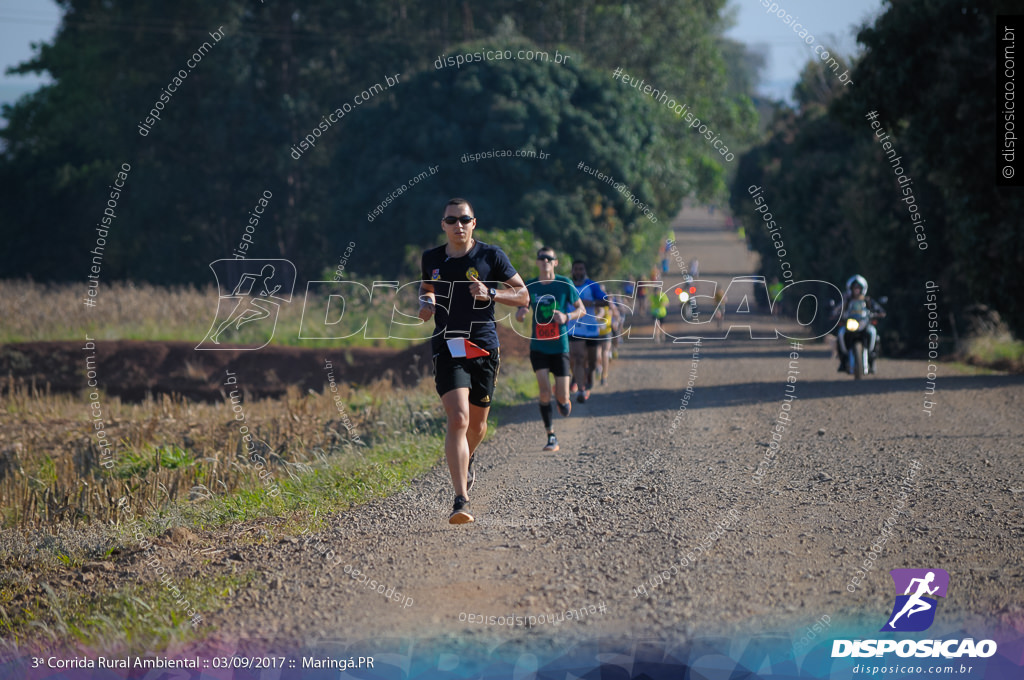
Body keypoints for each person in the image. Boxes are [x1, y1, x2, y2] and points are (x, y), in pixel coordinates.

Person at [418, 198, 529, 524]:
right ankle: (460, 500)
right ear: (443, 224)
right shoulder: (432, 258)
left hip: (483, 345)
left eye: (464, 219)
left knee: (478, 426)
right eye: (451, 220)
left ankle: (468, 460)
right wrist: (426, 302)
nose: (458, 225)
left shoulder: (491, 256)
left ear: (473, 223)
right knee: (458, 418)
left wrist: (491, 294)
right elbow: (427, 288)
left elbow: (523, 295)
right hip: (447, 345)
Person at [515, 247, 585, 452]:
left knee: (562, 398)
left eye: (549, 258)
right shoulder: (530, 285)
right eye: (541, 258)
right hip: (538, 346)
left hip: (560, 346)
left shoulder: (564, 284)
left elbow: (582, 309)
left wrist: (566, 317)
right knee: (544, 392)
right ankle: (551, 435)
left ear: (555, 263)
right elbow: (522, 307)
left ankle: (563, 398)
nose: (545, 261)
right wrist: (521, 313)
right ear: (537, 262)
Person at [565, 260, 608, 403]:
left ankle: (586, 376)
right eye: (576, 269)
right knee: (577, 357)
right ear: (572, 271)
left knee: (592, 361)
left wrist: (592, 303)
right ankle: (580, 387)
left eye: (581, 269)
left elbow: (606, 301)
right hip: (573, 327)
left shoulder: (592, 285)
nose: (578, 272)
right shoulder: (567, 285)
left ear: (585, 270)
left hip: (591, 329)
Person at [834, 274, 886, 373]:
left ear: (863, 289)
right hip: (850, 323)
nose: (856, 290)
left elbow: (879, 309)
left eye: (858, 288)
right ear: (851, 288)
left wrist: (879, 313)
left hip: (864, 323)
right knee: (841, 333)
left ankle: (873, 357)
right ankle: (842, 359)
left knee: (873, 332)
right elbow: (837, 309)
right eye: (855, 288)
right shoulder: (847, 300)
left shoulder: (867, 300)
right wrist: (835, 313)